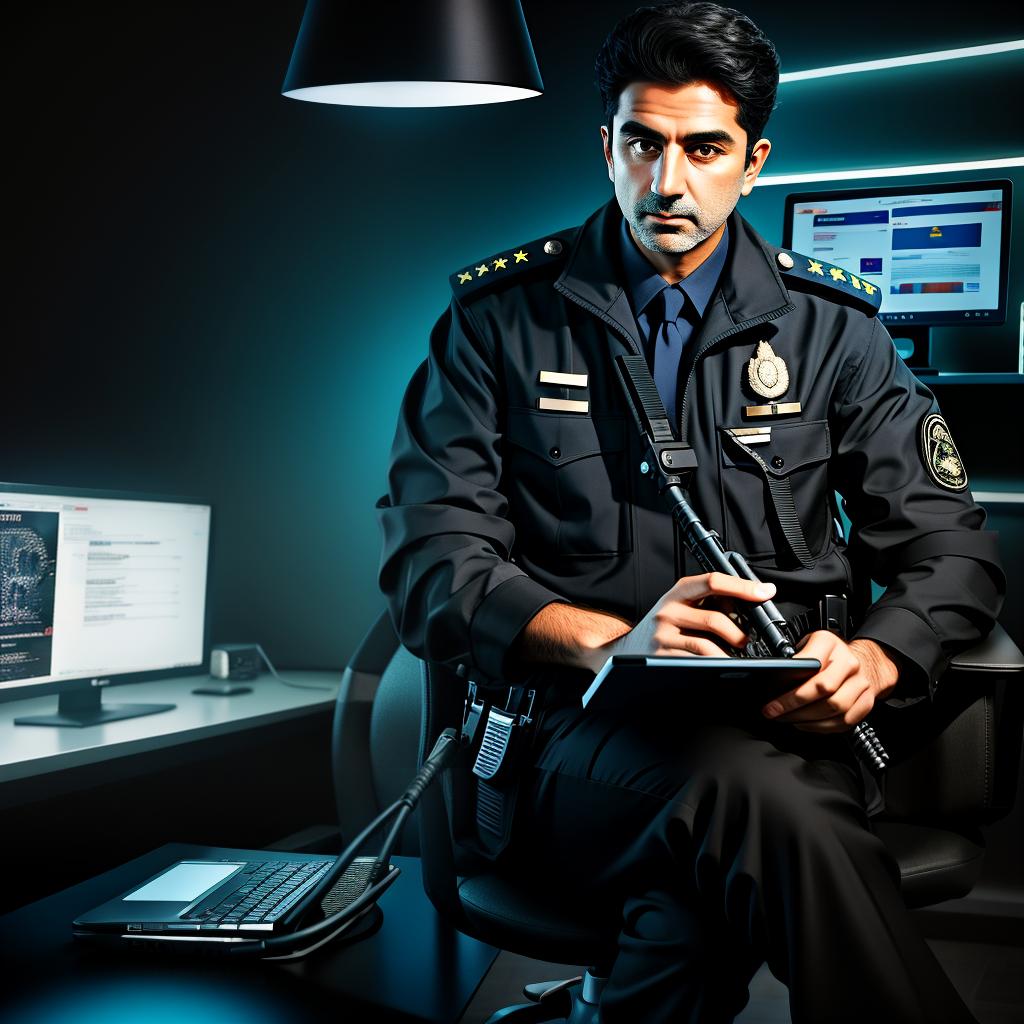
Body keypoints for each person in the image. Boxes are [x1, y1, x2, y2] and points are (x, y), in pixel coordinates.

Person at [377, 3, 1005, 1021]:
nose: (668, 181)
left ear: (752, 161)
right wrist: (606, 639)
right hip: (567, 749)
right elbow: (430, 562)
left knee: (695, 882)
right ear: (607, 146)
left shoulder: (835, 331)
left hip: (789, 735)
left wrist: (878, 656)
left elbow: (950, 552)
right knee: (741, 802)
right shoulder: (496, 323)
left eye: (703, 148)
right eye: (644, 143)